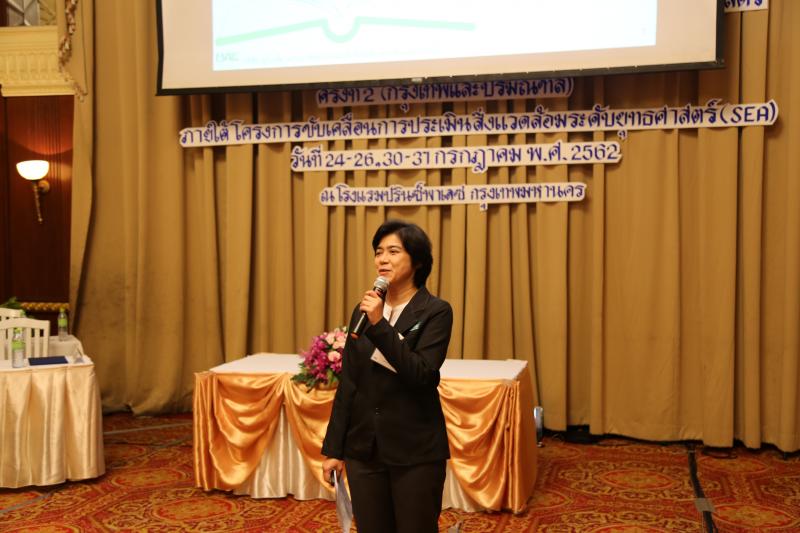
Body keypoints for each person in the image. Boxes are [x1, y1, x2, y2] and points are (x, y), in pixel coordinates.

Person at [322, 219, 453, 533]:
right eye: (379, 252)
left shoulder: (435, 311)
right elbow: (349, 383)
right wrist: (334, 450)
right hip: (364, 449)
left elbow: (422, 375)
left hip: (415, 450)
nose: (382, 259)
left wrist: (380, 325)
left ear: (417, 260)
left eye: (393, 251)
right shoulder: (364, 311)